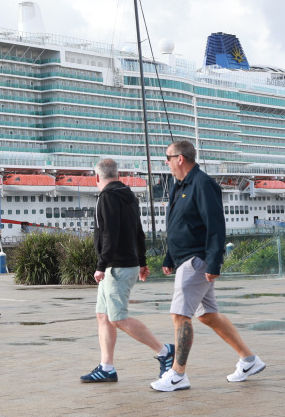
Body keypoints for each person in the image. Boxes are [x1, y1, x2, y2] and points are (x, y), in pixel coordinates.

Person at [152, 140, 265, 392]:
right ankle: (249, 360)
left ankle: (178, 374)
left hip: (197, 260)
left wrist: (214, 262)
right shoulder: (178, 185)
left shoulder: (203, 183)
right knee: (207, 315)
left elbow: (216, 226)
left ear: (180, 158)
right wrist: (169, 257)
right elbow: (176, 225)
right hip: (184, 259)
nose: (166, 162)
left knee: (180, 316)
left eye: (167, 157)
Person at [80, 158, 174, 384]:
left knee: (118, 318)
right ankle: (107, 368)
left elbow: (108, 234)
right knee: (103, 316)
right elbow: (138, 232)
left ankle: (164, 351)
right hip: (124, 263)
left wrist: (101, 265)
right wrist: (142, 261)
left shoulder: (106, 197)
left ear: (97, 177)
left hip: (116, 267)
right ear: (117, 174)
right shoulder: (129, 196)